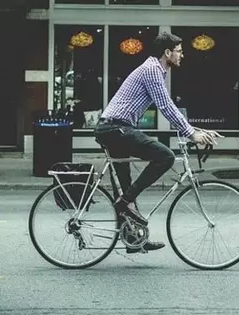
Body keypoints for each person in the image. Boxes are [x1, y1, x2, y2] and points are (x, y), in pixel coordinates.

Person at [93, 32, 223, 253]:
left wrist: (199, 130)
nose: (183, 55)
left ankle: (134, 239)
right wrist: (191, 133)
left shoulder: (155, 69)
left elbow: (167, 107)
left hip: (116, 128)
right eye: (180, 51)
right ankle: (125, 203)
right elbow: (165, 105)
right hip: (116, 128)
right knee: (165, 156)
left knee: (125, 186)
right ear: (167, 52)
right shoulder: (152, 69)